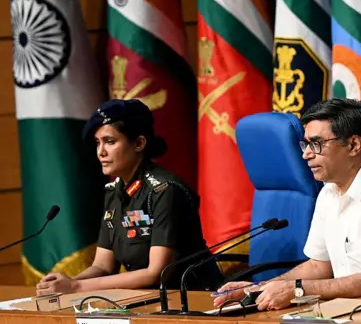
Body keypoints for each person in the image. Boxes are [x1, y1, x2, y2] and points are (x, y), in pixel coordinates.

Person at [213, 98, 361, 311]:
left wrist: (297, 289)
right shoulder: (328, 192)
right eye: (306, 144)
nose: (306, 155)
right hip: (356, 308)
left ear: (353, 145)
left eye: (316, 143)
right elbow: (319, 266)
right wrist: (259, 288)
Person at [36, 99, 224, 295]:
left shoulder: (165, 191)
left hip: (196, 298)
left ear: (139, 143)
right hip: (150, 299)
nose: (101, 152)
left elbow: (156, 273)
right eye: (98, 142)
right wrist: (64, 285)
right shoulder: (114, 191)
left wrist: (76, 287)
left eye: (110, 141)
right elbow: (103, 266)